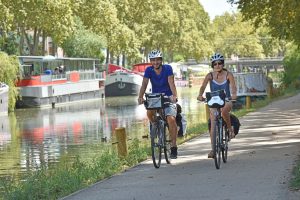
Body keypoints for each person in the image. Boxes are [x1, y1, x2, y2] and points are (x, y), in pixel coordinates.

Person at [138, 49, 179, 159]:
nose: (155, 62)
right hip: (155, 97)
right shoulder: (149, 70)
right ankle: (155, 124)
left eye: (157, 60)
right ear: (151, 61)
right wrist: (140, 96)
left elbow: (171, 83)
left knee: (171, 119)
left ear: (161, 60)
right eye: (153, 60)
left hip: (167, 96)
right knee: (149, 113)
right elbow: (144, 84)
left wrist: (174, 96)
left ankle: (173, 146)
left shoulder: (168, 68)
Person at [197, 53, 237, 158]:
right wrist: (200, 95)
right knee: (213, 122)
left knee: (224, 111)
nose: (217, 65)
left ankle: (229, 129)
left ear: (223, 64)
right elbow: (203, 86)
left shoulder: (228, 75)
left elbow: (233, 87)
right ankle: (213, 149)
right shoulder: (209, 75)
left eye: (219, 63)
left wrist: (233, 95)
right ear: (212, 65)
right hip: (214, 101)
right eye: (215, 64)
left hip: (226, 100)